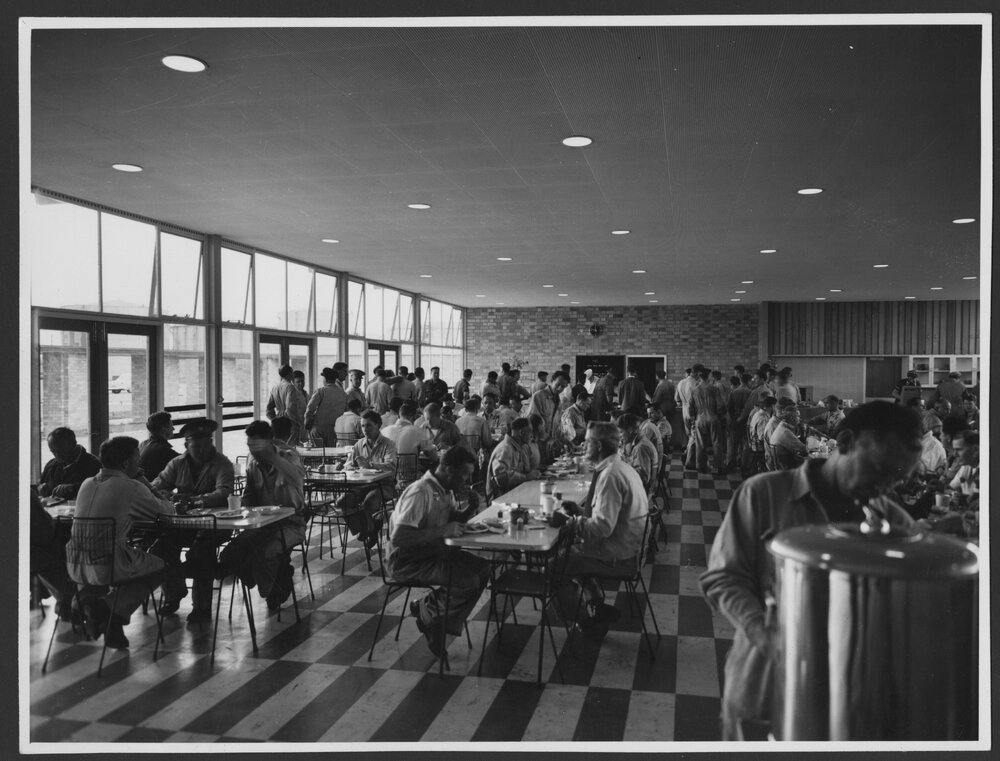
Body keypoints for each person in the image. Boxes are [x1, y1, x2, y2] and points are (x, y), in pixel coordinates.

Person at [700, 401, 922, 740]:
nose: (884, 488)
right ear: (845, 442)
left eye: (897, 480)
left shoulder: (891, 521)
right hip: (767, 681)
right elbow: (723, 578)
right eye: (879, 470)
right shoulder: (764, 494)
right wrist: (768, 637)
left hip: (855, 695)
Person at [67, 436, 175, 649]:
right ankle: (109, 612)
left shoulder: (86, 484)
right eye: (137, 457)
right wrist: (146, 483)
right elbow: (167, 512)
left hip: (75, 563)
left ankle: (87, 605)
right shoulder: (131, 486)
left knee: (129, 564)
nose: (139, 462)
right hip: (109, 562)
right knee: (161, 567)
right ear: (127, 463)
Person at [385, 446, 490, 658]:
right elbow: (399, 537)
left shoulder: (445, 490)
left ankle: (432, 617)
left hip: (432, 554)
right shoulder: (420, 491)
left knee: (484, 569)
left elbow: (450, 523)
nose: (468, 480)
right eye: (465, 474)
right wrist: (443, 531)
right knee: (467, 580)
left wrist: (469, 509)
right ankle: (430, 614)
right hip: (406, 562)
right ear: (449, 470)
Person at [549, 421, 648, 631]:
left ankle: (585, 622)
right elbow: (610, 517)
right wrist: (579, 512)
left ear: (600, 446)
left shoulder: (610, 476)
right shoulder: (620, 467)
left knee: (555, 566)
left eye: (587, 442)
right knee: (571, 553)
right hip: (628, 548)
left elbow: (602, 528)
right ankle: (596, 605)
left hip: (619, 557)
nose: (584, 447)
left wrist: (569, 522)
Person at [151, 418, 235, 623]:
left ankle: (201, 606)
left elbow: (224, 491)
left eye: (207, 445)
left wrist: (195, 501)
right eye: (196, 446)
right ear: (187, 445)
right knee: (160, 547)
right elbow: (156, 486)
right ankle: (174, 592)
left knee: (202, 552)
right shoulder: (177, 463)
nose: (202, 450)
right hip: (183, 524)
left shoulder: (222, 463)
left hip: (215, 524)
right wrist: (170, 498)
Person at [218, 421, 307, 610]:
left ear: (270, 442)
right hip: (263, 524)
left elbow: (298, 478)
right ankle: (273, 576)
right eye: (250, 445)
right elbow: (249, 496)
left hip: (291, 523)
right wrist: (239, 508)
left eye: (257, 445)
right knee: (229, 555)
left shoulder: (288, 456)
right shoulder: (253, 464)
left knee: (267, 552)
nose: (253, 450)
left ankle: (277, 585)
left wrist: (273, 457)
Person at [342, 410, 398, 548]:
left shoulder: (388, 444)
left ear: (378, 425)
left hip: (385, 485)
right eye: (362, 426)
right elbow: (348, 464)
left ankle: (369, 528)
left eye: (368, 426)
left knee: (370, 501)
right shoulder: (359, 444)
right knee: (343, 501)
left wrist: (370, 464)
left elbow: (391, 467)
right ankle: (366, 528)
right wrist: (349, 466)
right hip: (363, 485)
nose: (365, 429)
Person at [30, 487, 75, 621]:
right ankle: (69, 600)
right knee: (65, 547)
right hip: (34, 555)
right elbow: (45, 530)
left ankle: (63, 600)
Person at [383, 400, 438, 486]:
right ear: (413, 416)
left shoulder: (384, 431)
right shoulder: (418, 431)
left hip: (387, 477)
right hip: (410, 478)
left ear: (399, 415)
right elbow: (433, 457)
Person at [39, 427, 102, 500]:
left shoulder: (94, 465)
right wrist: (41, 488)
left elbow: (99, 490)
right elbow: (41, 485)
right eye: (53, 452)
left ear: (73, 444)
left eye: (61, 450)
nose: (57, 456)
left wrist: (73, 488)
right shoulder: (51, 465)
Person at [485, 418, 540, 500]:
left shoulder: (518, 447)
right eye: (530, 431)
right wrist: (526, 477)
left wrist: (532, 473)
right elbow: (501, 477)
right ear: (521, 433)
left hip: (513, 493)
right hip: (500, 498)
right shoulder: (505, 449)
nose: (532, 435)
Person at [689, 367, 726, 474]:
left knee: (700, 443)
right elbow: (720, 406)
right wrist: (720, 416)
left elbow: (690, 407)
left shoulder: (695, 390)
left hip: (700, 419)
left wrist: (693, 419)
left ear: (700, 377)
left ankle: (701, 466)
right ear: (708, 376)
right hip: (713, 418)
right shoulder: (714, 389)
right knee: (717, 443)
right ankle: (718, 466)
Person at [304, 363, 349, 445]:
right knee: (331, 454)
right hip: (335, 429)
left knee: (318, 453)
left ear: (325, 378)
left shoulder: (321, 391)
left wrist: (307, 422)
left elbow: (310, 408)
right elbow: (346, 411)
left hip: (318, 428)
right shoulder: (344, 394)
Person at [619, 413, 657, 495]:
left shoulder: (641, 447)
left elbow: (642, 478)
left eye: (621, 432)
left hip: (639, 493)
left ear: (630, 430)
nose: (619, 436)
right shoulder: (636, 441)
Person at [266, 364, 305, 442]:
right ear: (290, 373)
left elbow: (269, 408)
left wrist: (274, 419)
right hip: (289, 422)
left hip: (278, 422)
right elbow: (290, 408)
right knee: (292, 447)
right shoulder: (290, 387)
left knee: (279, 446)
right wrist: (299, 422)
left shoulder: (275, 387)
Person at [527, 370, 570, 441]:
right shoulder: (538, 396)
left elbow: (558, 425)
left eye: (562, 387)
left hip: (550, 442)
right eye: (557, 384)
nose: (559, 388)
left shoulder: (559, 401)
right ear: (552, 381)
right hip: (538, 441)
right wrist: (547, 438)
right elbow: (533, 422)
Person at [138, 411, 178, 481]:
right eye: (171, 426)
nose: (173, 429)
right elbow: (185, 462)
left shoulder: (143, 444)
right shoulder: (162, 450)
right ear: (164, 429)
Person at [768, 400, 808, 470]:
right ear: (792, 418)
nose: (800, 419)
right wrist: (803, 431)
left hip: (781, 464)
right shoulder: (785, 432)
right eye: (798, 416)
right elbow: (803, 449)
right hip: (785, 468)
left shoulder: (782, 426)